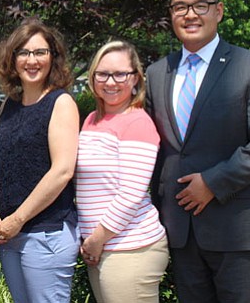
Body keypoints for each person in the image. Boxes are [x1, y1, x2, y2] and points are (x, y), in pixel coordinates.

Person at [145, 0, 250, 302]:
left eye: (200, 5)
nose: (190, 14)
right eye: (180, 7)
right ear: (171, 15)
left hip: (240, 230)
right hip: (181, 231)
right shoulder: (156, 74)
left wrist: (213, 182)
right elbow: (155, 150)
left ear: (219, 10)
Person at [0, 20, 80, 303]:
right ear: (12, 59)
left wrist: (17, 219)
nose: (32, 60)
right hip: (11, 234)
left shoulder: (61, 104)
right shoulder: (9, 105)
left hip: (46, 234)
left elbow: (62, 172)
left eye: (40, 52)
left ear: (53, 57)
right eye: (23, 53)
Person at [76, 40, 168, 303]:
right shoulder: (92, 120)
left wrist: (96, 239)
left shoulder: (137, 121)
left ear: (136, 78)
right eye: (102, 74)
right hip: (104, 248)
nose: (111, 82)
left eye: (120, 74)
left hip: (132, 249)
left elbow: (131, 194)